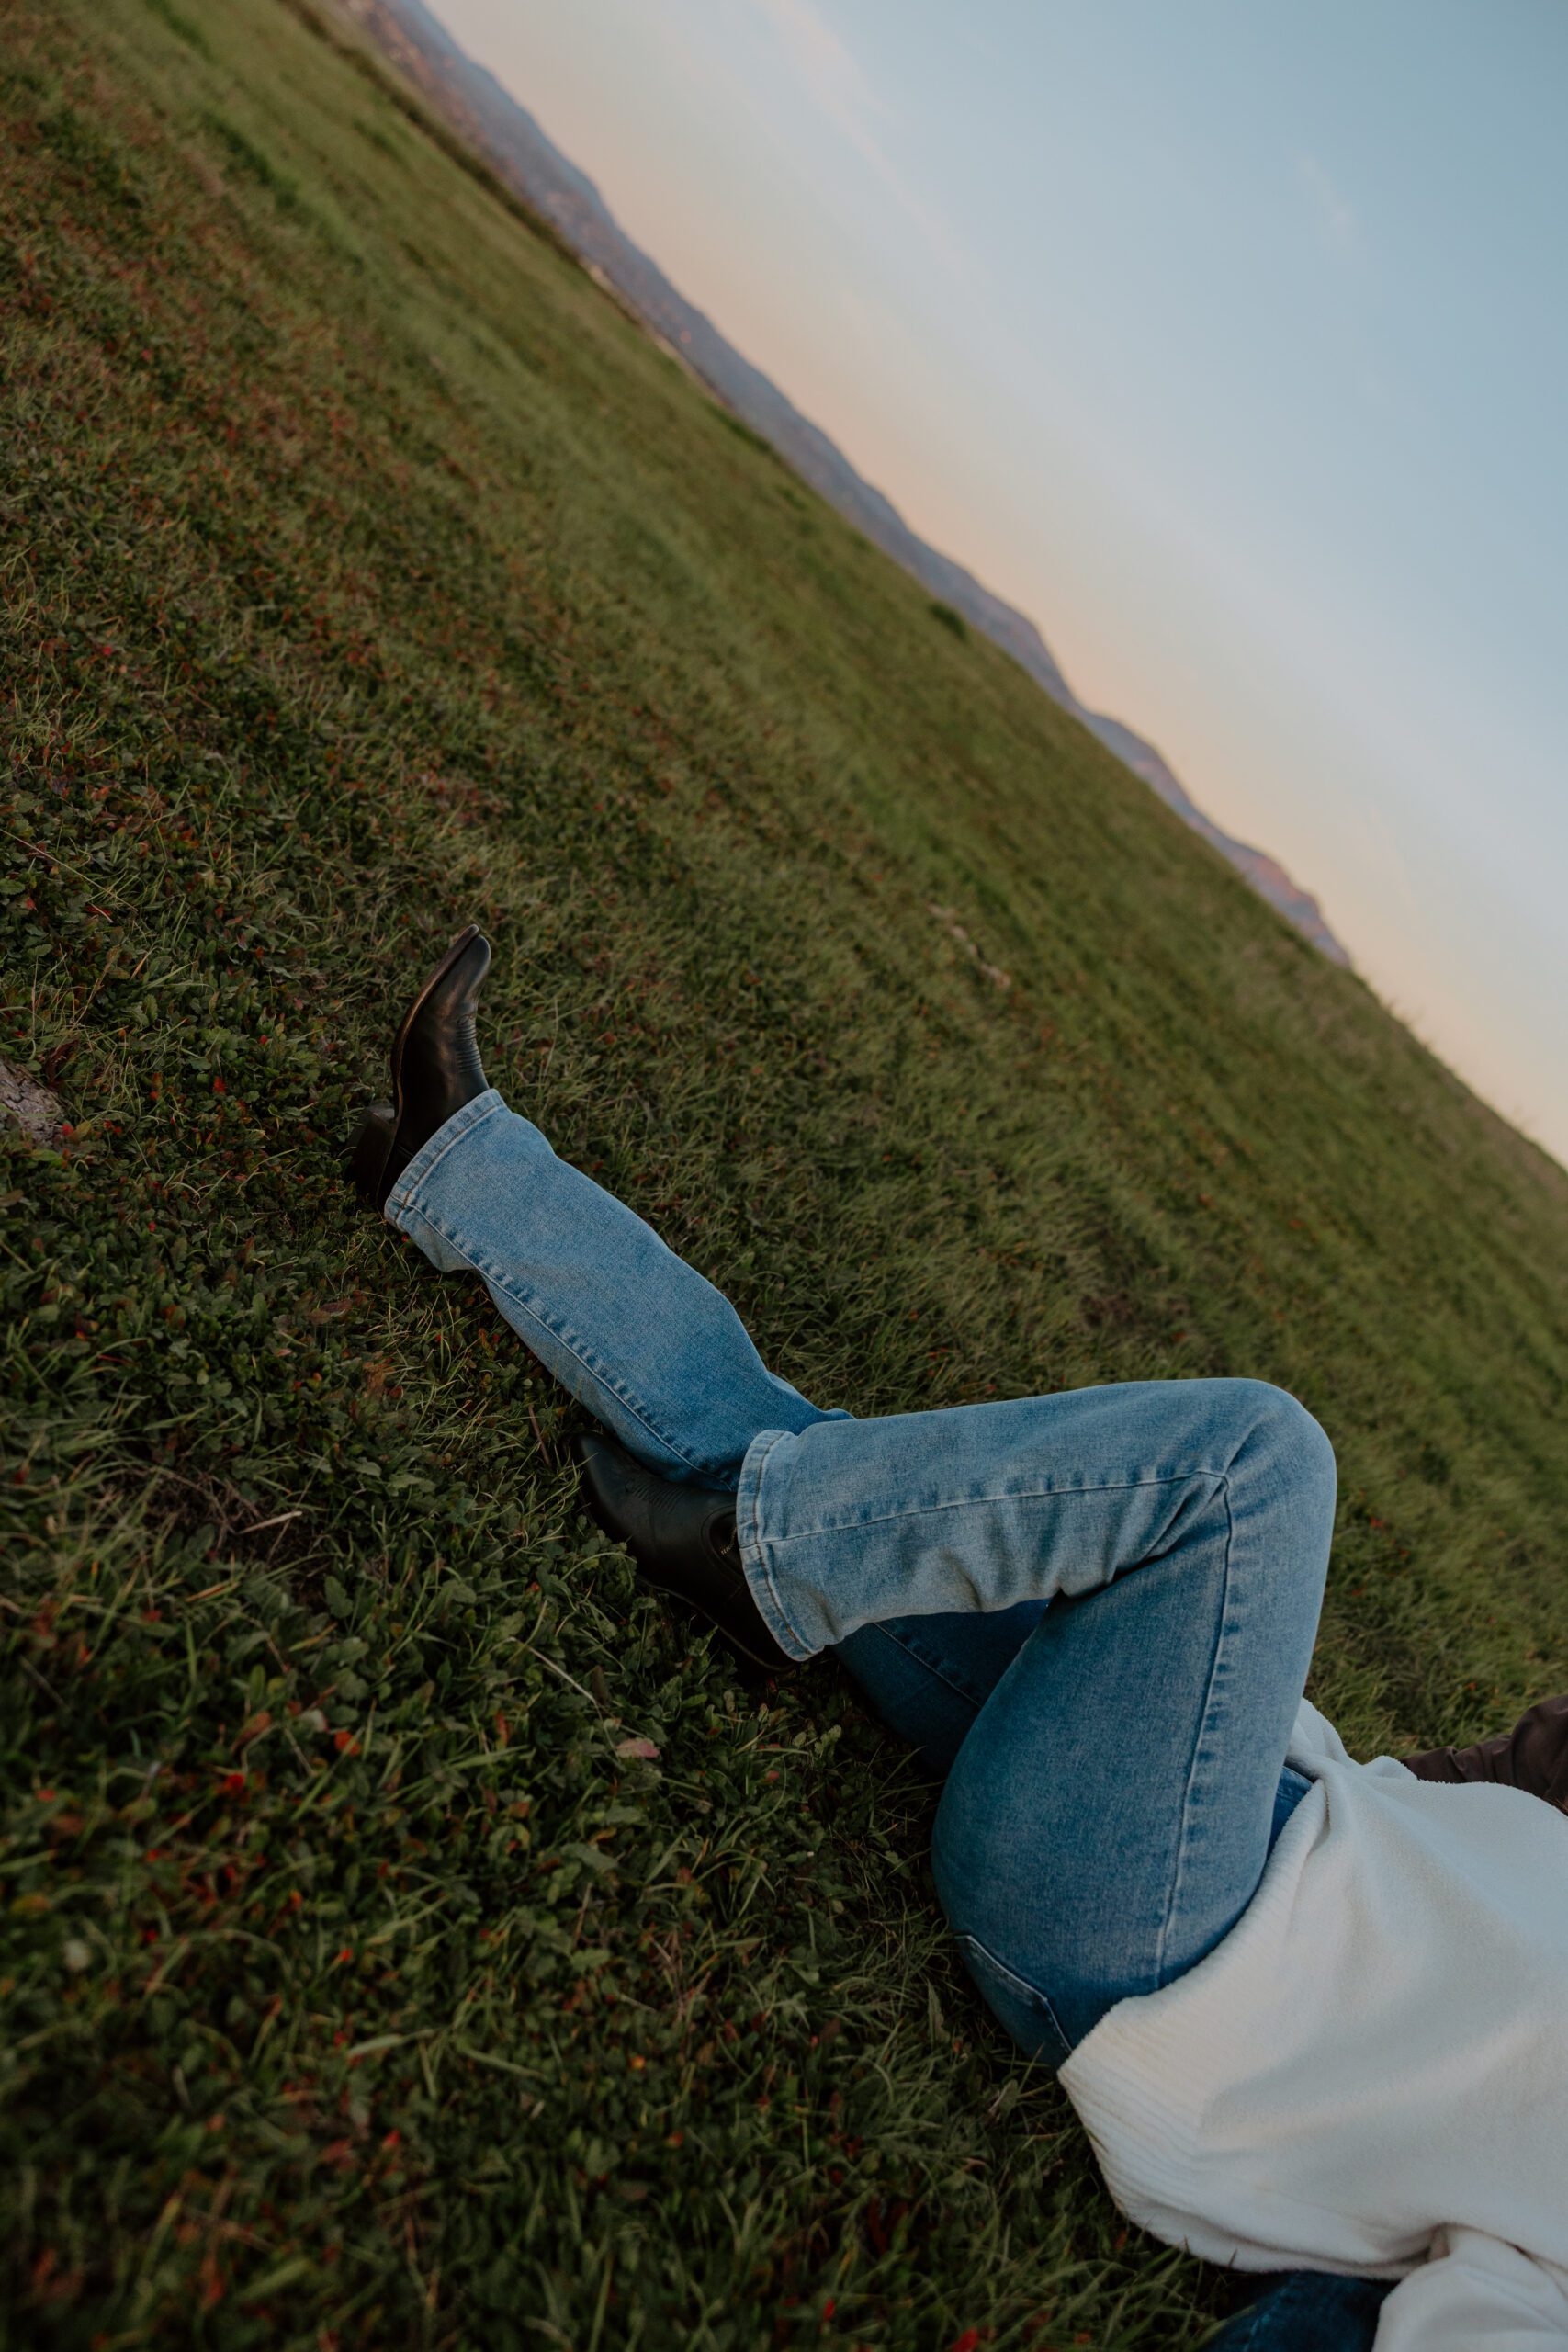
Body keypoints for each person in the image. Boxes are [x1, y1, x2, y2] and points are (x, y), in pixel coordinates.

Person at [352, 928, 1568, 2352]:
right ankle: (456, 1169)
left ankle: (761, 1563)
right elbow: (1491, 1803)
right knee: (861, 1490)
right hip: (1235, 1804)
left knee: (1254, 1468)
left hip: (1152, 1948)